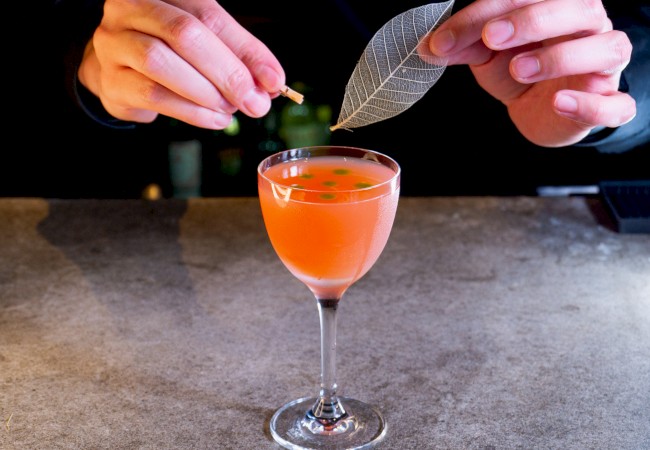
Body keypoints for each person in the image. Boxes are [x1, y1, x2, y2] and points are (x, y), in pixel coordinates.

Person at [6, 0, 649, 197]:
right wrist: (86, 69)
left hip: (486, 227)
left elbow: (639, 41)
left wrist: (593, 106)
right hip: (191, 232)